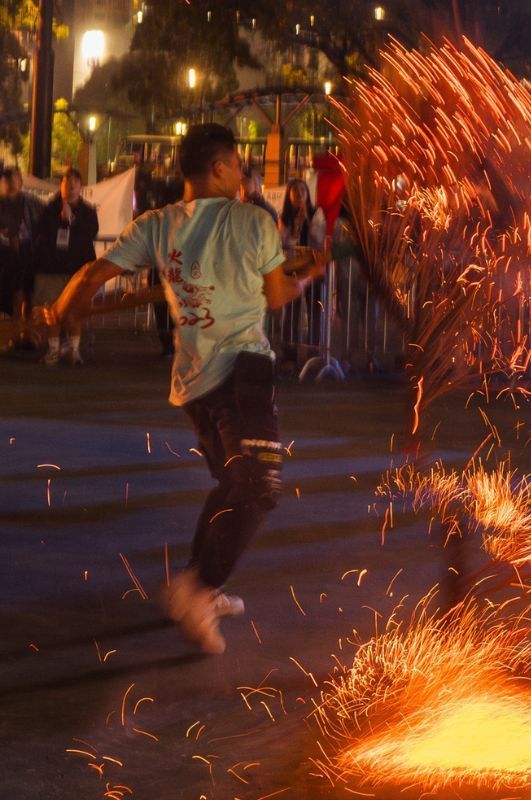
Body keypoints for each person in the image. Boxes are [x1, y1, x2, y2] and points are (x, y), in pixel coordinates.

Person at [43, 124, 326, 655]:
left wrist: (62, 307)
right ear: (218, 168)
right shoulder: (252, 220)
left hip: (195, 380)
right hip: (243, 368)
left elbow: (92, 273)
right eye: (239, 163)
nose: (244, 172)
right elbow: (278, 294)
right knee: (258, 484)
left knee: (232, 483)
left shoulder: (157, 224)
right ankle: (198, 589)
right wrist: (306, 276)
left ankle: (200, 585)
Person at [35, 168, 98, 366]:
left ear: (80, 187)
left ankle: (74, 351)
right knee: (52, 310)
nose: (70, 187)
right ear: (60, 185)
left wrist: (72, 220)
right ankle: (53, 351)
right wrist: (60, 218)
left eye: (74, 183)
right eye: (66, 183)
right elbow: (41, 234)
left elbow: (91, 233)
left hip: (77, 270)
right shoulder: (48, 209)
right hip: (52, 268)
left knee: (74, 311)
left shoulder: (88, 211)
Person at [278, 178, 327, 369]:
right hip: (292, 270)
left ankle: (313, 353)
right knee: (291, 311)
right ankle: (289, 354)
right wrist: (295, 227)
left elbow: (318, 239)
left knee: (314, 310)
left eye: (302, 190)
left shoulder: (316, 214)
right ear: (289, 194)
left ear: (308, 194)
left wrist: (308, 220)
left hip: (312, 270)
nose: (299, 194)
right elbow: (283, 241)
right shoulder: (285, 217)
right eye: (295, 191)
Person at [0, 167, 45, 345]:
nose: (11, 184)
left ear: (20, 181)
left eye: (14, 180)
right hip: (8, 255)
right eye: (7, 181)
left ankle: (26, 332)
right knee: (14, 296)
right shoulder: (2, 203)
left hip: (29, 253)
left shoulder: (30, 201)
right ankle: (15, 333)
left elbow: (47, 215)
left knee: (29, 295)